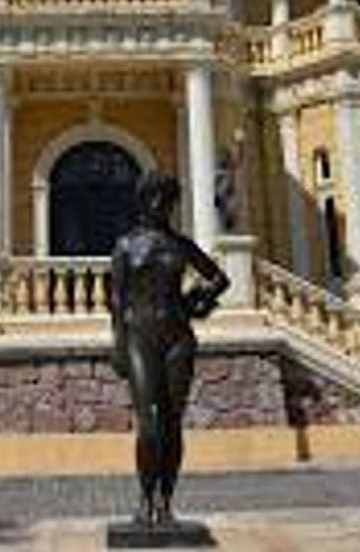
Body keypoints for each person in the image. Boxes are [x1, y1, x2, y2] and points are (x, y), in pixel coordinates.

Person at [109, 171, 230, 527]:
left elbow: (220, 278)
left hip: (178, 335)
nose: (163, 205)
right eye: (157, 197)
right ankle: (145, 498)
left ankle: (166, 501)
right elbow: (116, 301)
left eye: (169, 199)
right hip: (138, 336)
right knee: (149, 424)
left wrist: (199, 302)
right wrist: (118, 344)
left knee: (173, 423)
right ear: (144, 200)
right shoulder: (126, 246)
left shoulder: (180, 245)